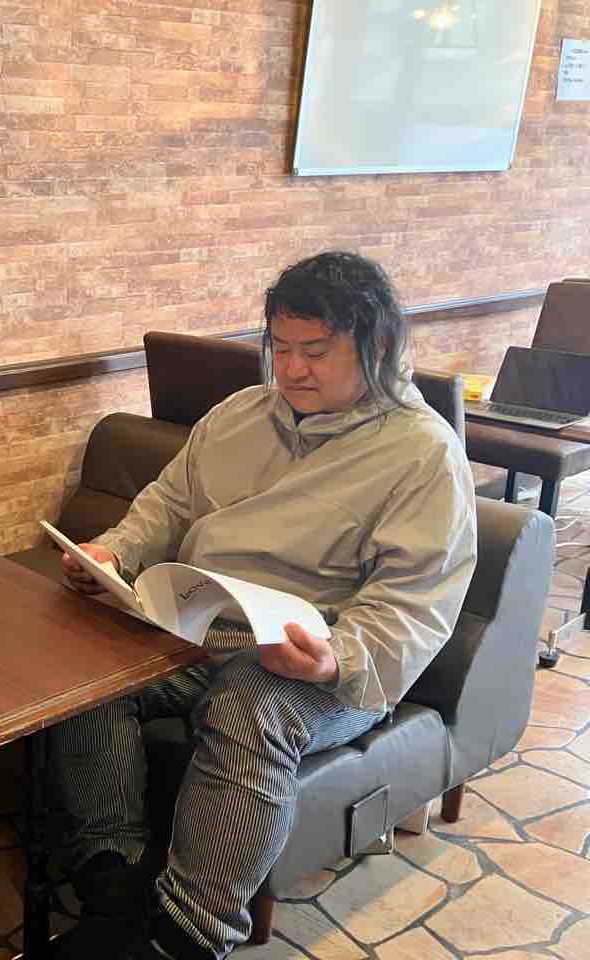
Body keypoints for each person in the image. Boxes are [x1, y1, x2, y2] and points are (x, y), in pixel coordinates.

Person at [49, 251, 477, 960]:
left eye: (316, 350)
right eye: (281, 347)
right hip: (201, 624)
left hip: (322, 659)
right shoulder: (240, 414)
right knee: (88, 670)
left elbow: (415, 602)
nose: (293, 370)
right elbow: (167, 503)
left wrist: (336, 657)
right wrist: (114, 554)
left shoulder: (423, 453)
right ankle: (111, 888)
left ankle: (186, 934)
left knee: (255, 704)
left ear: (375, 345)